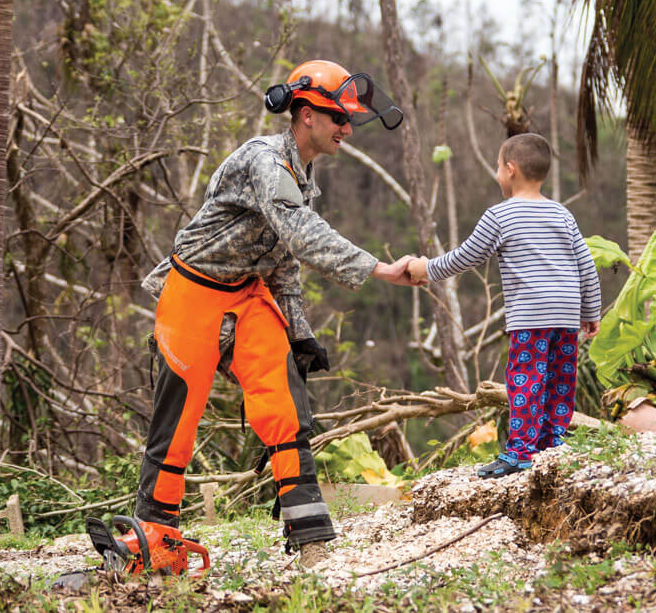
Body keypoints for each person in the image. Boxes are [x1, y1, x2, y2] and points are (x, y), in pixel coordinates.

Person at [130, 60, 416, 570]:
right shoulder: (265, 161)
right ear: (305, 114)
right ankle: (154, 540)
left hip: (247, 294)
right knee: (176, 424)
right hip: (193, 290)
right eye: (338, 120)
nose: (346, 130)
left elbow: (283, 262)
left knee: (286, 409)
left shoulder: (303, 177)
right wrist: (380, 269)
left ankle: (311, 542)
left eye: (348, 121)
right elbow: (303, 235)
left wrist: (298, 332)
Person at [408, 133, 601, 478]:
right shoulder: (562, 214)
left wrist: (427, 268)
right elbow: (585, 263)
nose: (497, 173)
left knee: (526, 379)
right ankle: (552, 443)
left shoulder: (500, 216)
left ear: (510, 170)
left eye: (498, 167)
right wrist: (591, 311)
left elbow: (465, 257)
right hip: (567, 312)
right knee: (559, 378)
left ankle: (521, 452)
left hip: (531, 315)